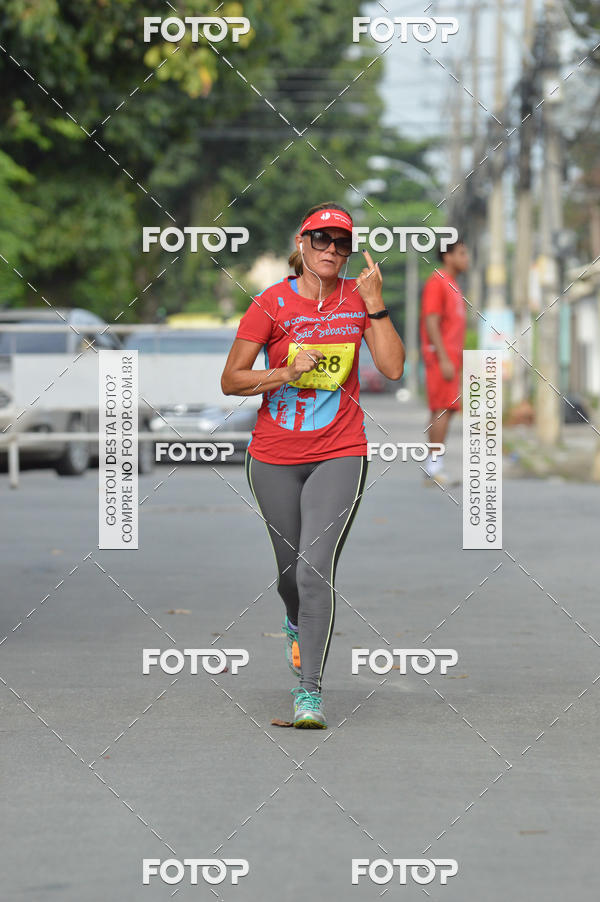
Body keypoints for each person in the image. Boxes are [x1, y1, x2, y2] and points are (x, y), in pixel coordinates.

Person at [221, 202, 405, 728]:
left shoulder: (356, 300)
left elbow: (392, 367)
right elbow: (231, 380)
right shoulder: (270, 304)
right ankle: (295, 622)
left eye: (341, 243)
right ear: (301, 244)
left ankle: (309, 695)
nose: (331, 251)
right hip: (273, 457)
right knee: (289, 575)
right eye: (321, 240)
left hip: (339, 451)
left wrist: (375, 306)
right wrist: (281, 372)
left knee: (313, 569)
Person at [419, 238, 469, 484]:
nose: (466, 258)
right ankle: (434, 467)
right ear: (447, 256)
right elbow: (431, 320)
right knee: (442, 409)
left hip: (451, 360)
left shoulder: (453, 284)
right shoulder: (437, 282)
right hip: (441, 359)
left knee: (446, 410)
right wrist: (443, 358)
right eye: (461, 253)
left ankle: (434, 465)